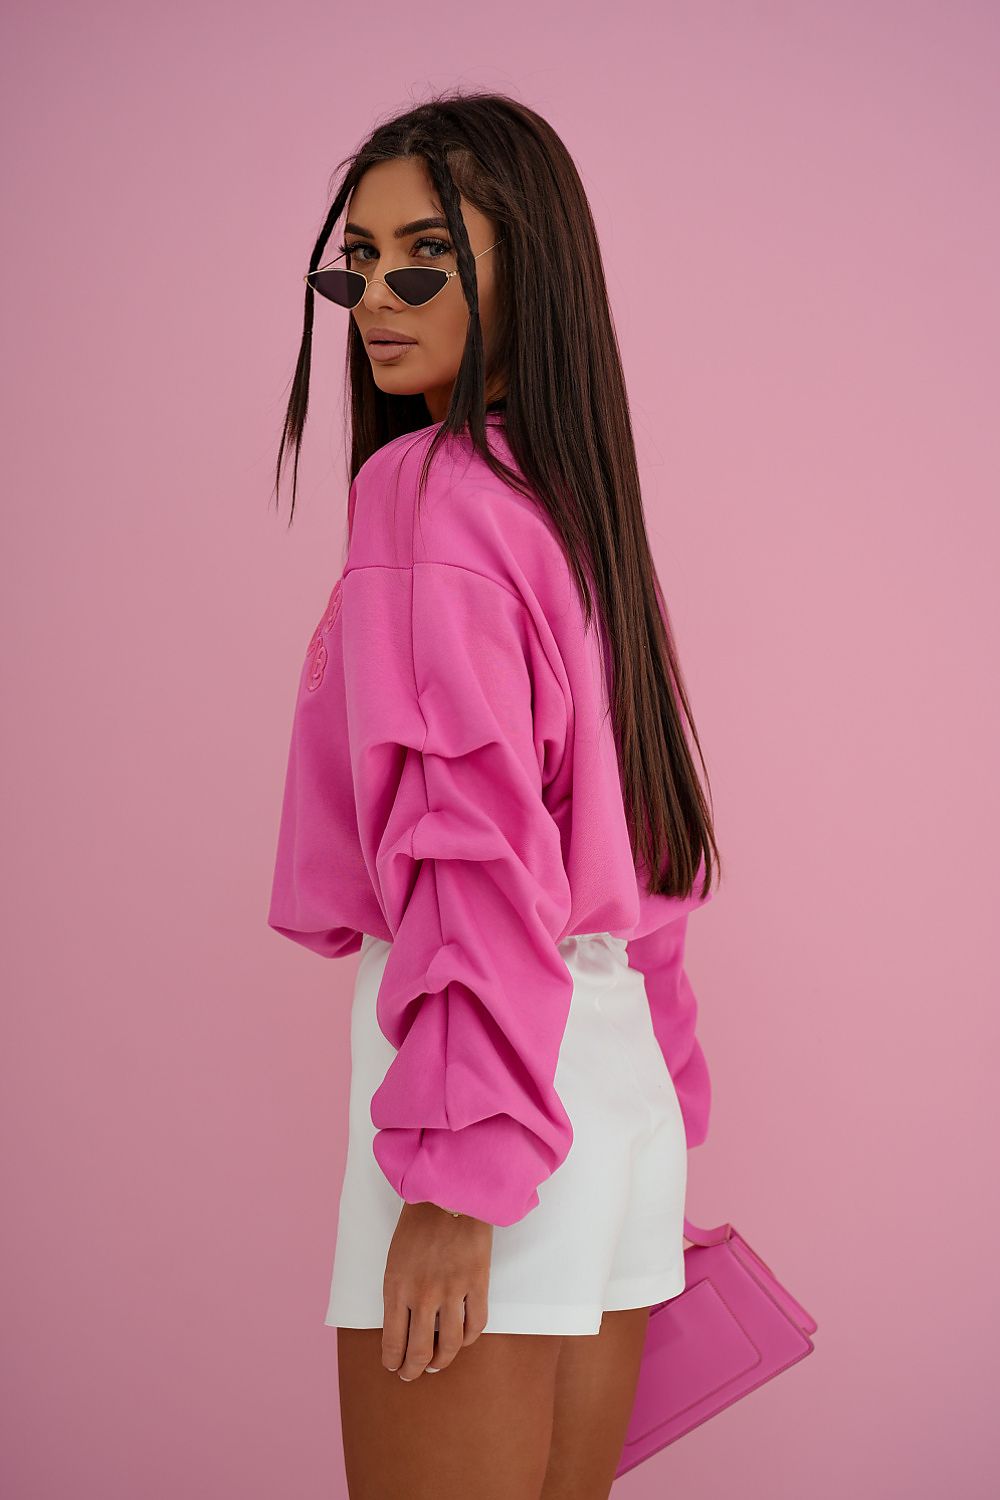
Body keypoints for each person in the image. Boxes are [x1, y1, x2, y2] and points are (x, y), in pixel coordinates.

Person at [266, 89, 723, 1500]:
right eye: (359, 262)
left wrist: (453, 1186)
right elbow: (637, 853)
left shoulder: (428, 494)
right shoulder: (573, 503)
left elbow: (469, 854)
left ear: (528, 268)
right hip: (608, 1099)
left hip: (486, 1115)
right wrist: (660, 1105)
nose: (378, 298)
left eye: (427, 258)